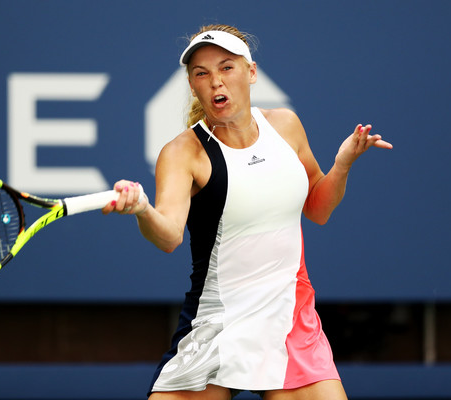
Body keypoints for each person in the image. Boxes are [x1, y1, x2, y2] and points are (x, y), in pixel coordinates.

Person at [102, 24, 392, 400]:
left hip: (289, 321)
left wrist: (342, 165)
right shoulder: (182, 153)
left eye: (226, 68)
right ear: (192, 85)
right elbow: (169, 236)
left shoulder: (285, 126)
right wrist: (142, 208)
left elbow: (318, 209)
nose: (215, 82)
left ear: (251, 73)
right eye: (201, 74)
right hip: (218, 325)